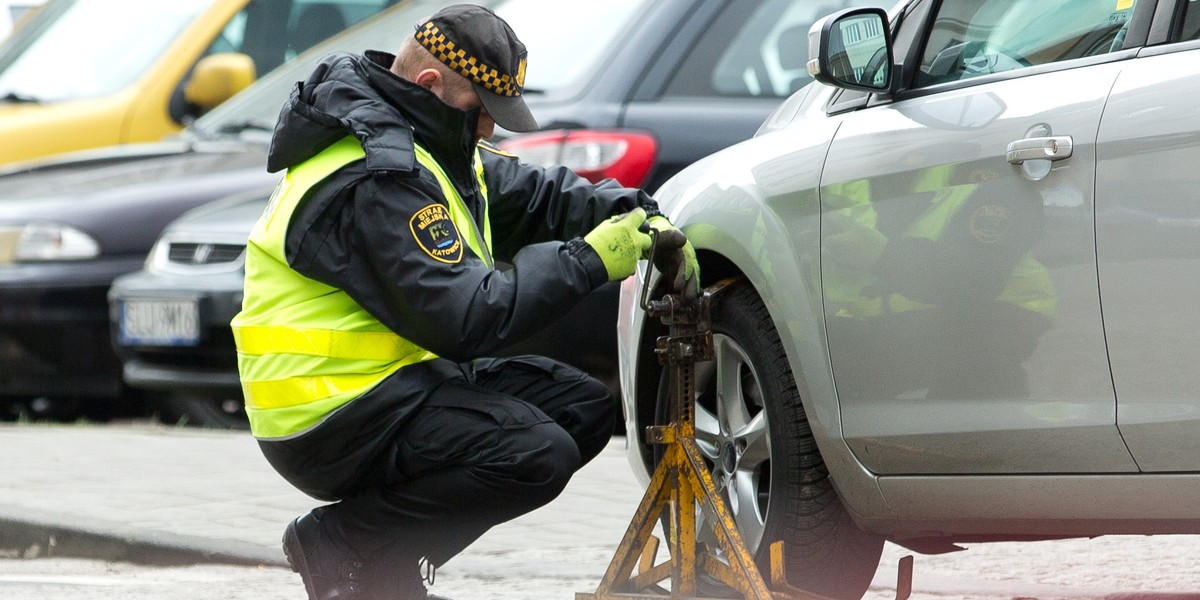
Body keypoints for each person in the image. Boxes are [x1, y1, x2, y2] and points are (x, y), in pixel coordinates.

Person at [230, 4, 697, 600]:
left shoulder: (428, 145)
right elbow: (467, 317)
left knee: (581, 409)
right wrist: (587, 260)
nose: (489, 132)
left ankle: (382, 562)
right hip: (327, 416)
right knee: (532, 452)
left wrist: (639, 212)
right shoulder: (380, 178)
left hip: (391, 387)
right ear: (431, 85)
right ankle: (344, 542)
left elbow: (536, 196)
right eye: (482, 112)